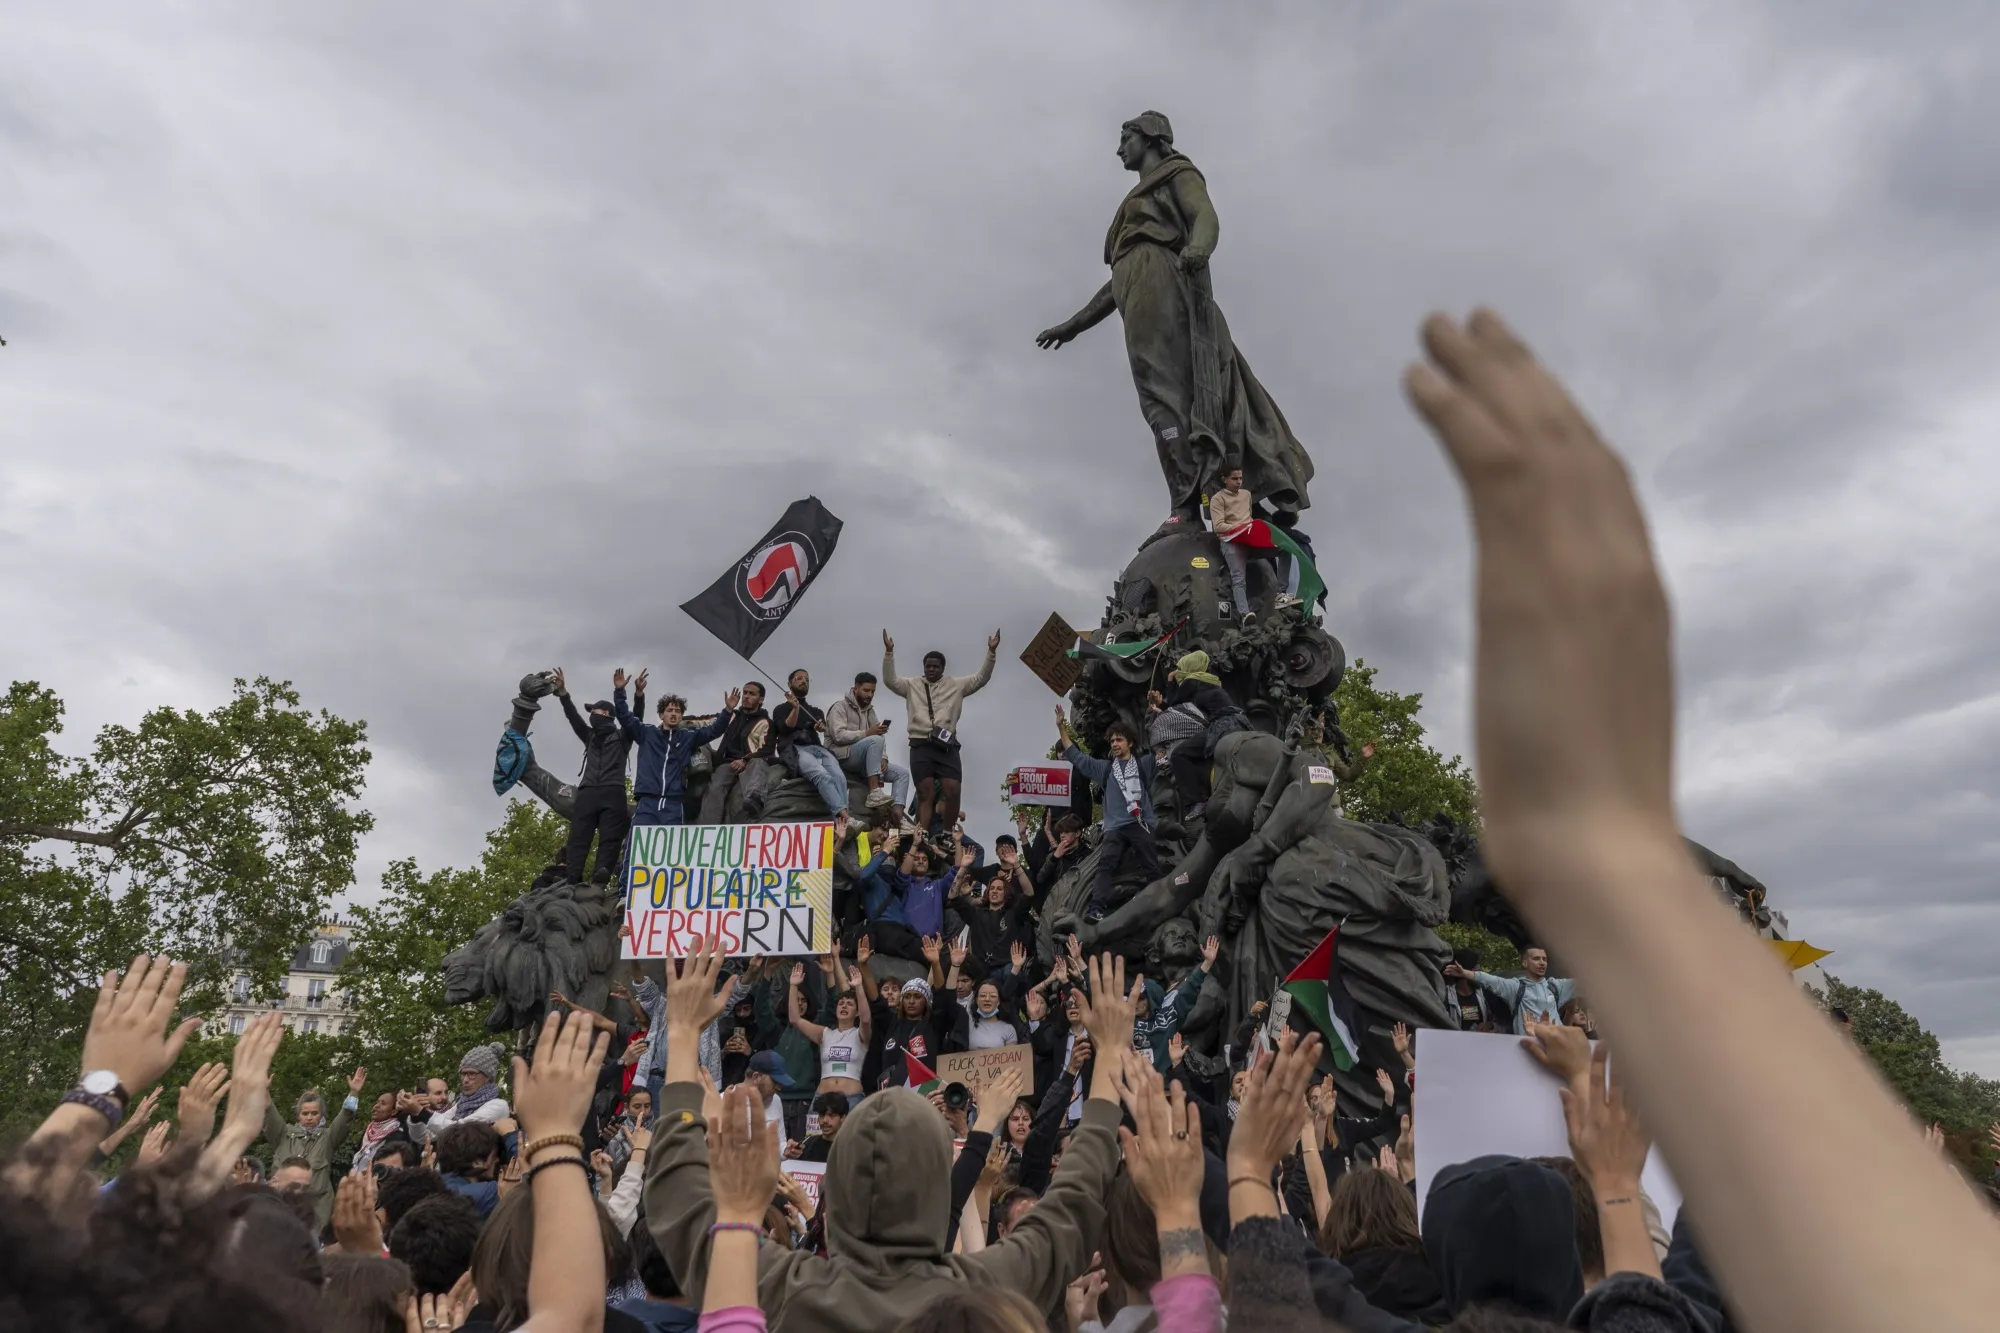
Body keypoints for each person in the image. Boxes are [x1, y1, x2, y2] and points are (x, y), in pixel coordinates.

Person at [648, 941, 1136, 1333]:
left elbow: (679, 1198)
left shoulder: (779, 1286)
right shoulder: (990, 1285)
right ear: (940, 1186)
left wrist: (683, 1036)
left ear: (833, 1192)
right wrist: (1110, 1050)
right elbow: (1078, 1192)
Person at [882, 628, 1000, 834]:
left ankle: (947, 832)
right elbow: (890, 681)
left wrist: (991, 652)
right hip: (920, 743)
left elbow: (981, 678)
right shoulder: (912, 685)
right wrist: (889, 652)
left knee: (953, 790)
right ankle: (923, 835)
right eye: (928, 666)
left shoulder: (956, 685)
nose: (931, 670)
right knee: (925, 792)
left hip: (946, 745)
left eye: (936, 666)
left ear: (943, 668)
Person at [1056, 708, 1160, 920]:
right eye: (1112, 741)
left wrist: (1155, 712)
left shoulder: (1144, 763)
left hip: (1140, 823)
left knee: (1153, 867)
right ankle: (1096, 908)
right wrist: (1061, 727)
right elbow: (1076, 756)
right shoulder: (1105, 769)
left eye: (1119, 740)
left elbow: (1162, 746)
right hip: (1115, 828)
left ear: (1130, 743)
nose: (1114, 744)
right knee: (1105, 867)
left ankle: (1160, 902)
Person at [615, 669, 739, 827]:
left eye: (678, 711)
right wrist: (620, 691)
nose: (673, 714)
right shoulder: (646, 732)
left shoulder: (688, 736)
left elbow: (715, 730)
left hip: (673, 804)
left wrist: (728, 710)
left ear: (681, 716)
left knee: (668, 849)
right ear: (661, 715)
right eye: (669, 710)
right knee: (638, 848)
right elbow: (624, 717)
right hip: (647, 802)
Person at [554, 666, 638, 882]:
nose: (591, 715)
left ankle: (601, 876)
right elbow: (573, 717)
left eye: (595, 711)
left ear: (607, 715)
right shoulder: (589, 736)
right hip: (588, 790)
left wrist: (633, 694)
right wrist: (563, 693)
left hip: (613, 791)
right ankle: (573, 878)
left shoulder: (622, 737)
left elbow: (635, 719)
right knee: (578, 837)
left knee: (611, 837)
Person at [260, 1065, 365, 1227]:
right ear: (298, 1115)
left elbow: (345, 1118)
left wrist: (354, 1092)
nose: (309, 1117)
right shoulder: (283, 1133)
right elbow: (268, 1111)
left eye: (314, 1113)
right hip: (281, 1205)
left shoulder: (328, 1137)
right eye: (305, 1113)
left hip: (316, 1210)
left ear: (321, 1115)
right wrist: (264, 1090)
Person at [825, 671, 913, 813]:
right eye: (866, 690)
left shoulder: (869, 711)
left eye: (873, 691)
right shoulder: (839, 707)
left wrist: (883, 758)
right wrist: (867, 733)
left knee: (901, 774)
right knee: (874, 739)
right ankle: (874, 792)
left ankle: (898, 815)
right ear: (856, 689)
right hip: (842, 757)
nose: (870, 695)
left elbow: (879, 735)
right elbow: (838, 736)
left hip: (865, 760)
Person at [787, 958, 870, 1101]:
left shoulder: (860, 1035)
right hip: (822, 1098)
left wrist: (859, 988)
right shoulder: (824, 1033)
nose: (844, 1006)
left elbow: (866, 1019)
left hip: (850, 1098)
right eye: (841, 1003)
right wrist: (793, 986)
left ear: (856, 1012)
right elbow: (795, 1019)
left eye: (849, 1004)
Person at [770, 668, 850, 817]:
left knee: (839, 777)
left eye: (807, 680)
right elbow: (786, 727)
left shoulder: (815, 710)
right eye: (799, 678)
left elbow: (823, 728)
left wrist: (821, 727)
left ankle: (843, 820)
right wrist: (795, 709)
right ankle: (844, 817)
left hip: (817, 748)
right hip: (796, 749)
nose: (804, 682)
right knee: (821, 774)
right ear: (789, 683)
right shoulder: (780, 709)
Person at [1444, 944, 1576, 1034]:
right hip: (1527, 1050)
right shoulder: (1515, 987)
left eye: (1545, 959)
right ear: (1525, 963)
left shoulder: (1556, 987)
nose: (1542, 962)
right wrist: (1465, 973)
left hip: (1555, 1050)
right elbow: (1491, 980)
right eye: (1536, 959)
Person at [700, 680, 773, 824]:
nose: (746, 696)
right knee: (715, 788)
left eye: (751, 694)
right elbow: (704, 721)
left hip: (750, 764)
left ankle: (749, 820)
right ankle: (706, 830)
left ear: (761, 699)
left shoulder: (766, 722)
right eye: (745, 693)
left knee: (741, 799)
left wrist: (744, 760)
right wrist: (680, 721)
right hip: (728, 763)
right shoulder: (731, 715)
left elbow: (767, 749)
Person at [419, 1044, 513, 1139]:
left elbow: (460, 1131)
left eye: (472, 1073)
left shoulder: (498, 1106)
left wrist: (421, 1113)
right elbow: (426, 1136)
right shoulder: (461, 1104)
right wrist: (415, 1116)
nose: (465, 1080)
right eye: (463, 1074)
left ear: (487, 1077)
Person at [1208, 463, 1262, 623]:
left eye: (1240, 478)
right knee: (1238, 578)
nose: (1239, 482)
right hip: (1231, 541)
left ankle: (1283, 594)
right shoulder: (1217, 499)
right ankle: (1245, 614)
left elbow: (1249, 516)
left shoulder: (1246, 495)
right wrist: (1240, 528)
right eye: (1234, 479)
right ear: (1224, 479)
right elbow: (1218, 527)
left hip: (1250, 538)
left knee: (1284, 550)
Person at [351, 1091, 412, 1173]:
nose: (376, 1106)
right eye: (376, 1103)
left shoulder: (398, 1133)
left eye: (383, 1104)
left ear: (393, 1111)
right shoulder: (368, 1132)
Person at [788, 1092, 848, 1164]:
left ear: (843, 1117)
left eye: (831, 1115)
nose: (825, 1120)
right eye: (822, 1115)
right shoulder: (807, 1144)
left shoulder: (852, 1147)